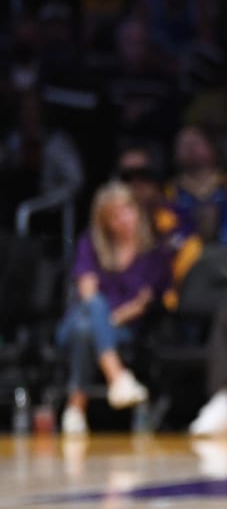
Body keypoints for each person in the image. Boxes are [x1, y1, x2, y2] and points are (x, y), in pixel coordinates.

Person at [56, 181, 161, 436]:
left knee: (86, 329)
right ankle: (117, 377)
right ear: (104, 222)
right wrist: (102, 320)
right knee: (94, 307)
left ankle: (76, 408)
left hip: (122, 329)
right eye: (115, 216)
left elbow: (142, 305)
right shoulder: (89, 244)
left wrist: (103, 323)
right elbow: (88, 296)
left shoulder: (152, 252)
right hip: (75, 322)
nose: (124, 219)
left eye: (128, 210)